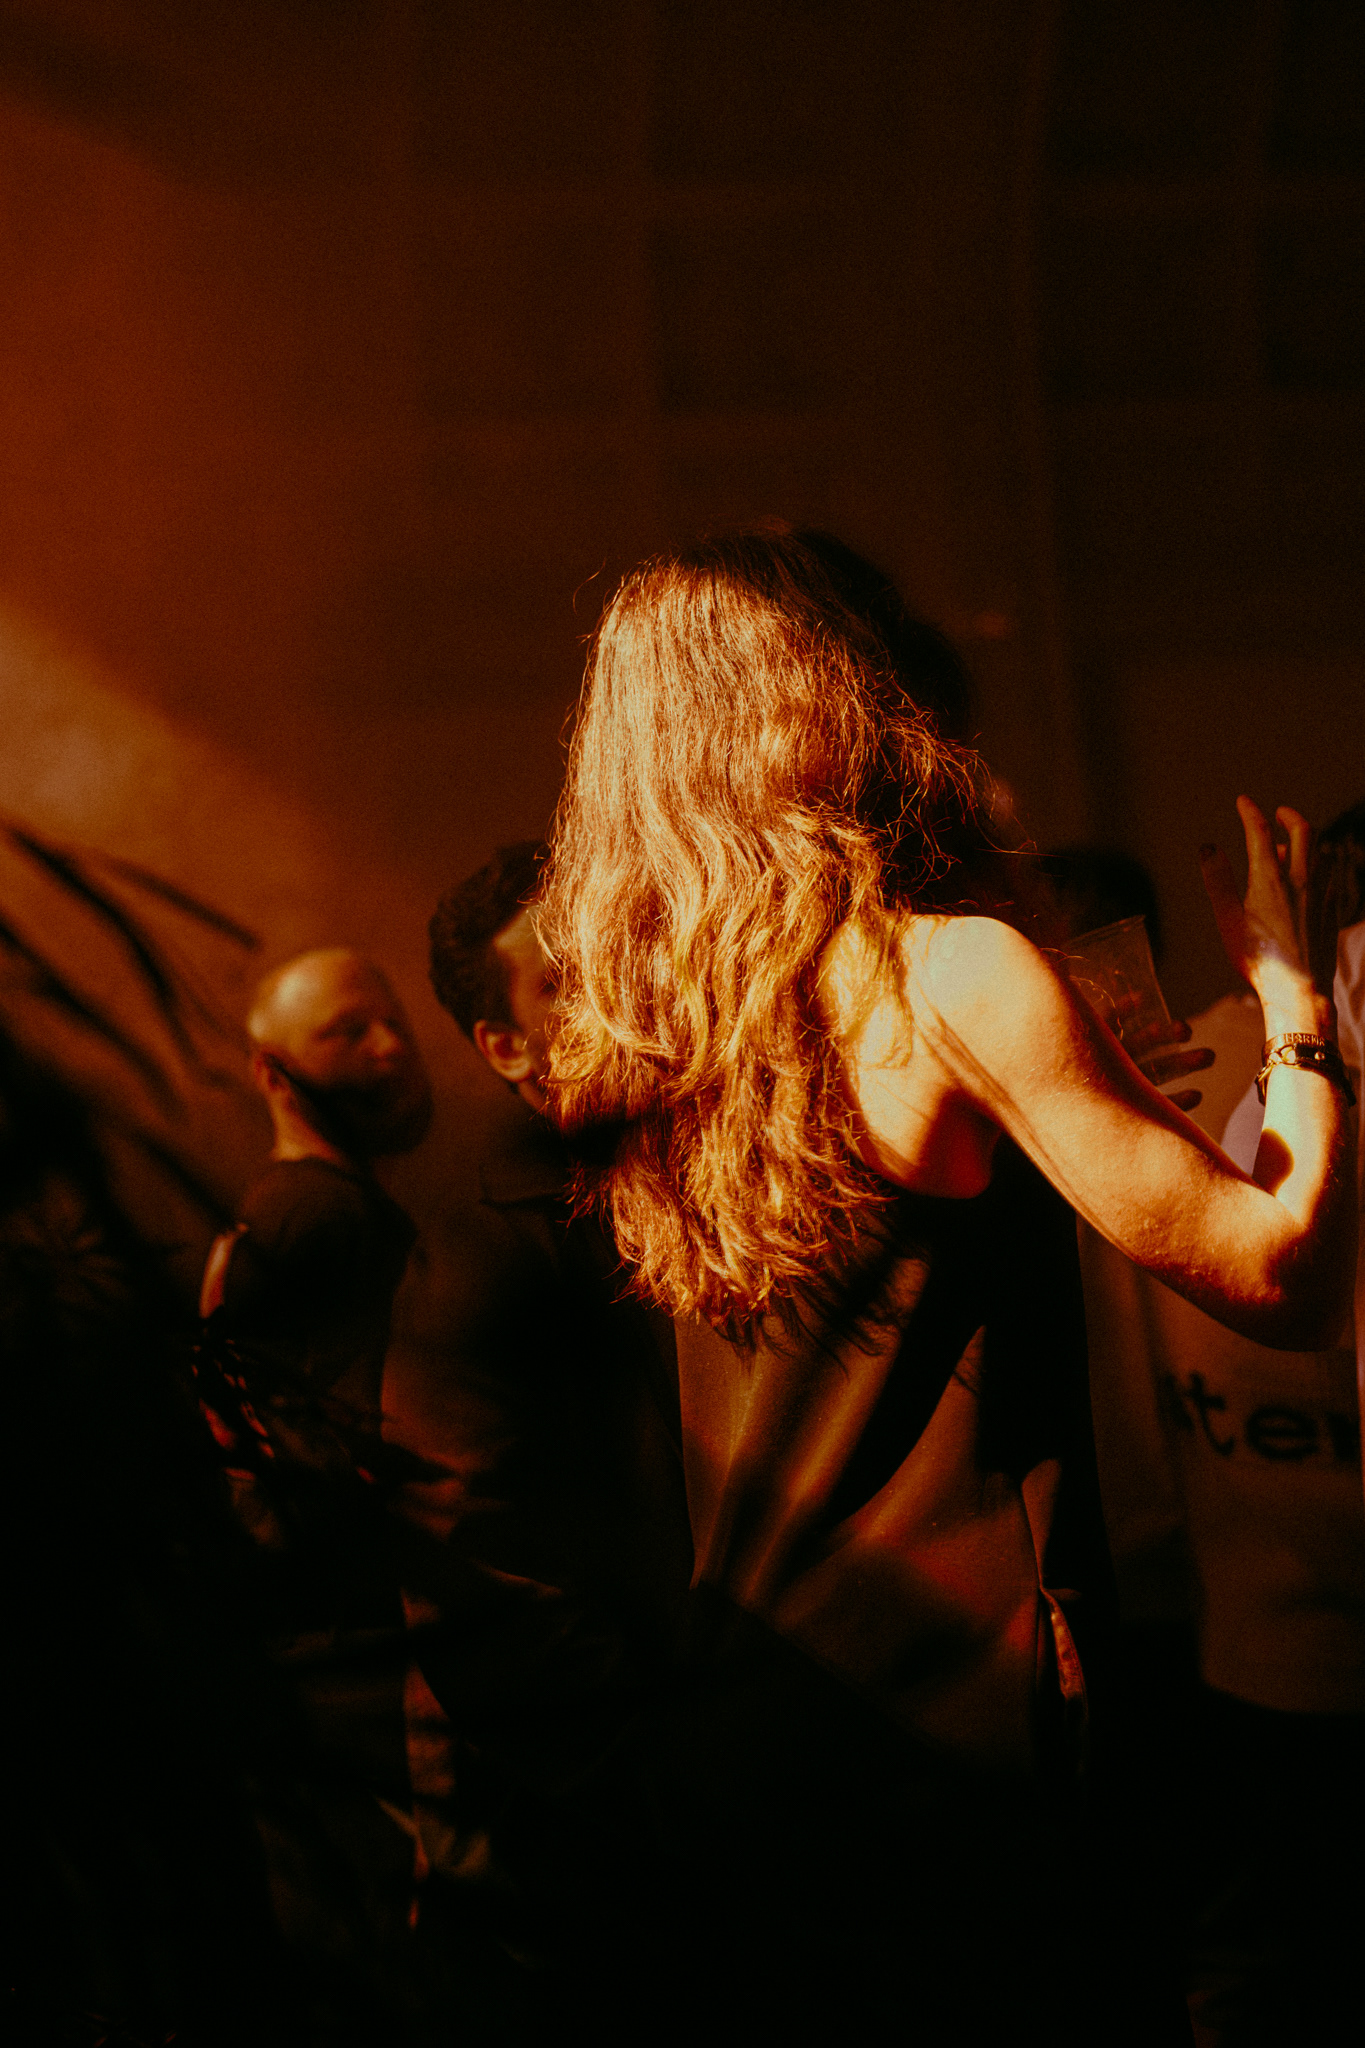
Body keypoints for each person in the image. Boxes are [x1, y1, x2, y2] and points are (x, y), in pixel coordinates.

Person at [535, 528, 1355, 2044]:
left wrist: (1079, 1093)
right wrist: (1298, 1004)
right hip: (978, 1706)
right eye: (843, 651)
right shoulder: (947, 970)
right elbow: (1282, 1273)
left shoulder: (640, 1020)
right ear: (782, 703)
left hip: (764, 1698)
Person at [378, 848, 691, 2020]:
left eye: (614, 947)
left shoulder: (683, 1177)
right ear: (506, 1046)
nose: (613, 985)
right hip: (591, 1866)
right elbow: (477, 1584)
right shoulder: (482, 1248)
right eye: (562, 979)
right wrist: (676, 1774)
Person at [196, 948, 435, 2045]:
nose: (390, 1049)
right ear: (272, 1072)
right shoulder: (324, 1220)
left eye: (392, 1021)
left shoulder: (289, 1210)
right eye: (347, 1031)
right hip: (343, 1652)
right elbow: (295, 1442)